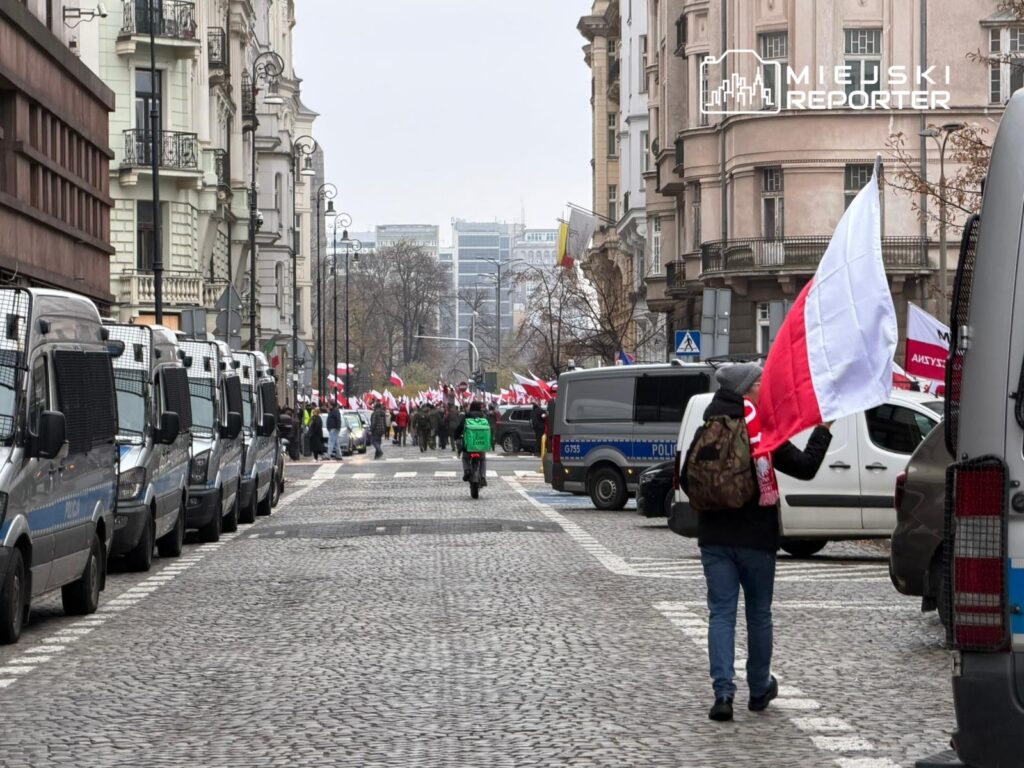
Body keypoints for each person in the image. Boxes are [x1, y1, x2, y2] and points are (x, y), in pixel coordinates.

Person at [680, 363, 832, 723]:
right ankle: (759, 687)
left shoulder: (708, 425)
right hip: (756, 537)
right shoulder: (762, 429)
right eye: (760, 381)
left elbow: (688, 478)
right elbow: (806, 467)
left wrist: (717, 504)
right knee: (758, 614)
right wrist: (822, 431)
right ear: (746, 389)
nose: (765, 385)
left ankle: (722, 694)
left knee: (720, 613)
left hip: (715, 538)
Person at [452, 400, 491, 485]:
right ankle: (483, 477)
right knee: (483, 459)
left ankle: (466, 471)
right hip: (481, 444)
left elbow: (460, 427)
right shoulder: (483, 416)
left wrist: (456, 436)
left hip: (469, 445)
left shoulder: (467, 416)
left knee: (465, 458)